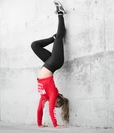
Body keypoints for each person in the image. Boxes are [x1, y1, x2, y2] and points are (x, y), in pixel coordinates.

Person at [31, 0, 69, 128]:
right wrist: (55, 125)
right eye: (58, 105)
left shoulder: (44, 97)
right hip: (54, 63)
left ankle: (53, 37)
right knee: (60, 38)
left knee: (34, 45)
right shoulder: (52, 93)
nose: (55, 106)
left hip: (48, 63)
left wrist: (39, 124)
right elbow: (51, 109)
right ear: (58, 100)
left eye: (56, 106)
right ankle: (60, 13)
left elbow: (40, 110)